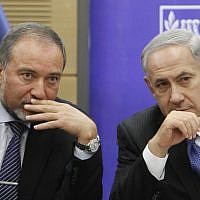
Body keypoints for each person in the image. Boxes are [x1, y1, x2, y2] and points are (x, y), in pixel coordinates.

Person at [0, 22, 103, 200]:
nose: (40, 92)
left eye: (52, 79)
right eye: (28, 75)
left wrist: (87, 143)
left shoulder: (71, 131)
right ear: (1, 73)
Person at [110, 29, 200, 200]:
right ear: (151, 87)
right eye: (162, 84)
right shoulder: (137, 132)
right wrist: (158, 148)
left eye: (184, 79)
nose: (175, 97)